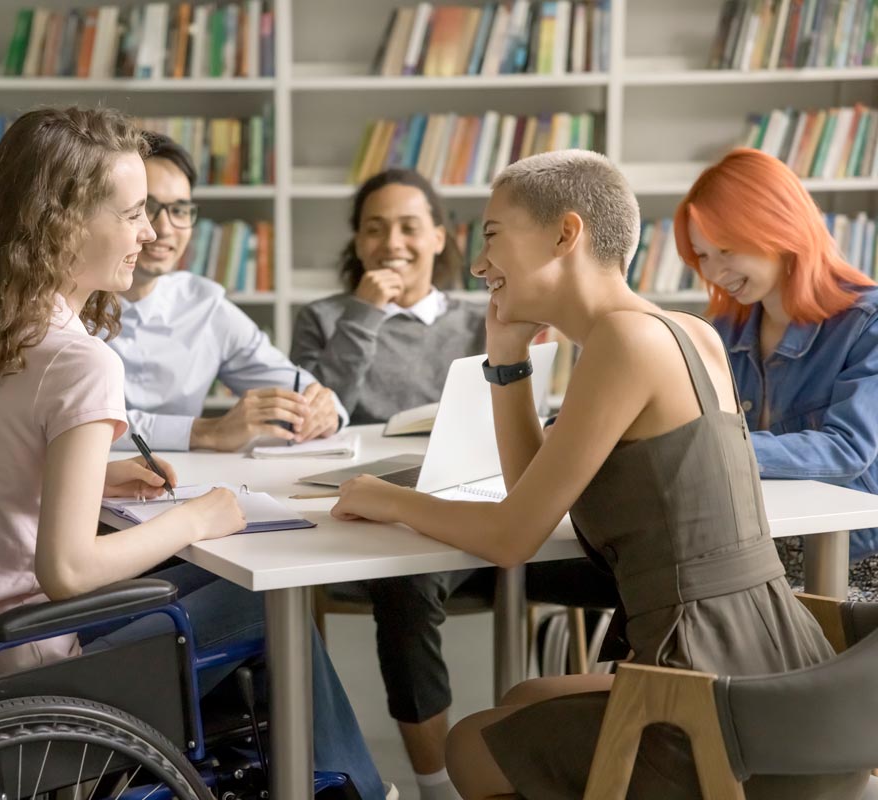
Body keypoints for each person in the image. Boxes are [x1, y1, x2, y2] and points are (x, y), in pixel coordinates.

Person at [330, 150, 868, 799]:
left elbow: (511, 537)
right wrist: (506, 360)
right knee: (526, 696)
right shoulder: (686, 330)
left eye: (493, 237)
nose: (478, 266)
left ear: (566, 234)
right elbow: (534, 494)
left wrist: (386, 499)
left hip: (724, 710)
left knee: (471, 746)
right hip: (786, 679)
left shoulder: (623, 344)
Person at [0, 106, 385, 799]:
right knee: (271, 596)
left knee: (241, 585)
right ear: (64, 221)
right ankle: (355, 788)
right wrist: (199, 517)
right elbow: (70, 570)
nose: (151, 234)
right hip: (35, 665)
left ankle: (341, 785)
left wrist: (95, 475)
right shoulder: (80, 361)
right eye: (135, 213)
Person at [291, 168, 486, 800]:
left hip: (467, 510)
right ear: (357, 242)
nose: (391, 242)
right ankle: (435, 785)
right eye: (374, 228)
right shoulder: (323, 319)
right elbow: (322, 415)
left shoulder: (480, 320)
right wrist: (365, 316)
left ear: (438, 236)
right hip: (365, 516)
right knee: (406, 579)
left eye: (408, 226)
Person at [674, 147, 878, 595]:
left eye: (726, 250)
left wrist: (715, 447)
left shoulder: (868, 323)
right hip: (758, 549)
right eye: (702, 256)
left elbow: (846, 449)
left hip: (857, 562)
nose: (714, 271)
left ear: (778, 229)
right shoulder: (725, 330)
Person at [105, 131, 346, 452]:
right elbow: (74, 421)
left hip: (179, 484)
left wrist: (326, 410)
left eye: (179, 210)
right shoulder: (63, 303)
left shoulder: (205, 305)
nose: (162, 229)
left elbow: (299, 391)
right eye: (147, 208)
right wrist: (205, 431)